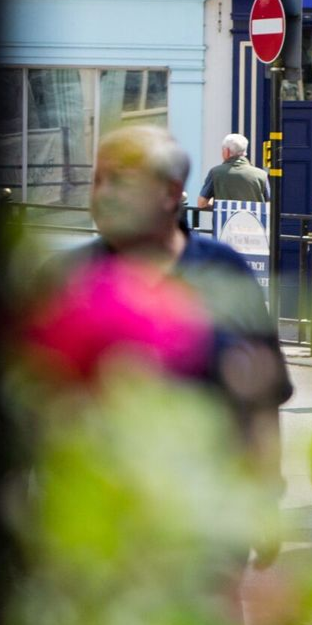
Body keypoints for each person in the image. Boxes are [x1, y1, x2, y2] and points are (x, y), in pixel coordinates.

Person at [55, 125, 292, 555]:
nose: (103, 194)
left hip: (207, 523)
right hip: (93, 533)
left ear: (169, 193)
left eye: (121, 181)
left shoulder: (224, 273)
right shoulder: (66, 280)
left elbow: (263, 395)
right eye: (98, 179)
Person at [197, 133, 270, 208]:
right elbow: (270, 206)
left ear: (227, 151)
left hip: (225, 219)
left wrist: (217, 205)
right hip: (253, 219)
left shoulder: (215, 173)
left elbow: (201, 203)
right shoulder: (262, 175)